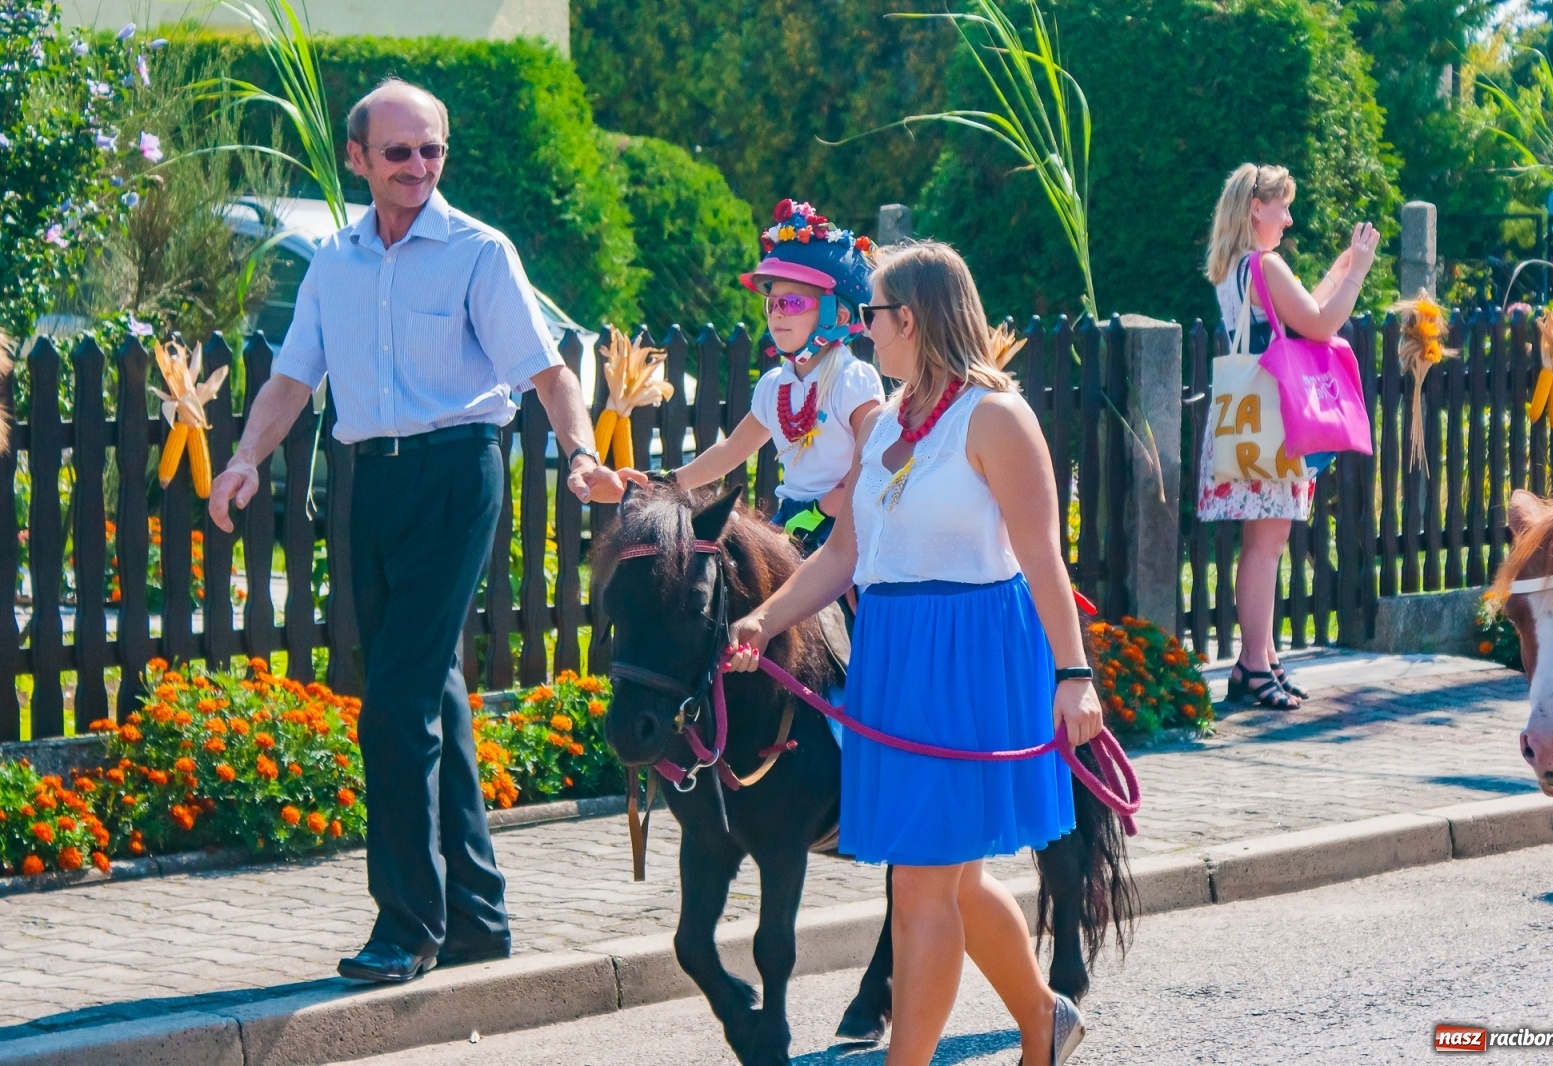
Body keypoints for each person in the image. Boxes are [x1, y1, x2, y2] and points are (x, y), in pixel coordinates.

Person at [207, 78, 641, 984]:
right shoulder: (334, 263)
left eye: (432, 150)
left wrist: (576, 449)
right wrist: (246, 457)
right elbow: (294, 378)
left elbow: (547, 370)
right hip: (366, 485)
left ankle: (406, 926)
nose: (417, 167)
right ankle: (479, 916)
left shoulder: (479, 253)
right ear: (359, 159)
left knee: (396, 706)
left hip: (454, 478)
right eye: (398, 151)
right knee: (427, 687)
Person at [724, 242, 1101, 1065]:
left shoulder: (996, 417)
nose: (861, 329)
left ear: (916, 318)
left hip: (972, 652)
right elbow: (842, 555)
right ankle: (1043, 1020)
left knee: (922, 881)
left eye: (873, 314)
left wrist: (1074, 677)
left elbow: (1043, 557)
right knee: (951, 877)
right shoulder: (888, 420)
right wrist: (764, 618)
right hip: (895, 652)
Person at [1200, 163, 1376, 710]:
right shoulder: (1265, 263)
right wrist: (1358, 272)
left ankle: (1264, 656)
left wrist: (1340, 269)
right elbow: (1321, 325)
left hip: (1247, 417)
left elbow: (1301, 312)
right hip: (1275, 420)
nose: (1290, 217)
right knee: (1266, 546)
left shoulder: (1237, 266)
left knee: (1262, 544)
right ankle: (1253, 664)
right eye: (1284, 206)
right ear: (1258, 208)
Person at [663, 198, 883, 552]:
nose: (777, 313)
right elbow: (731, 450)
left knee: (853, 603)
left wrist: (815, 514)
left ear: (837, 316)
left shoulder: (853, 380)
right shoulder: (774, 386)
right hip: (792, 522)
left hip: (845, 524)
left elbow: (870, 467)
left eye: (793, 303)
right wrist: (667, 484)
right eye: (772, 303)